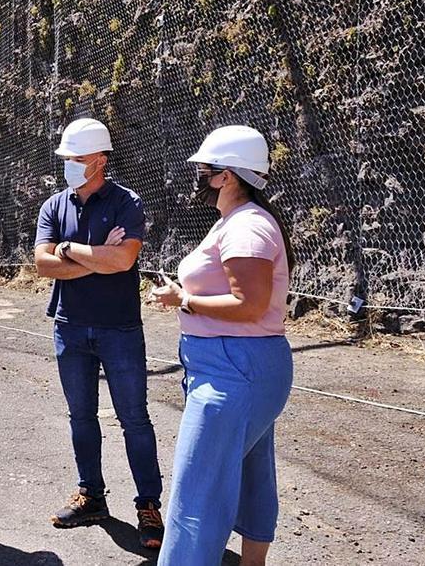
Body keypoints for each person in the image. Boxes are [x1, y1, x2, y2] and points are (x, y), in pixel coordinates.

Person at [150, 125, 295, 566]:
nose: (199, 175)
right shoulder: (239, 222)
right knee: (251, 470)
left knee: (198, 489)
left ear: (227, 176)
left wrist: (184, 300)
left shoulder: (247, 227)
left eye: (205, 169)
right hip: (241, 364)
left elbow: (248, 304)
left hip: (234, 366)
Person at [33, 118, 165, 550]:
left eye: (78, 159)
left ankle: (148, 505)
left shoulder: (128, 203)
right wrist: (96, 255)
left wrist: (68, 250)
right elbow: (42, 263)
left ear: (100, 160)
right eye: (67, 159)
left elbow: (124, 261)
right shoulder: (55, 205)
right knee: (81, 418)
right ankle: (91, 495)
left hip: (119, 328)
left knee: (134, 420)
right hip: (69, 326)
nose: (70, 165)